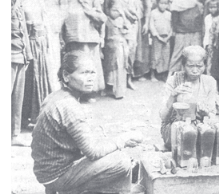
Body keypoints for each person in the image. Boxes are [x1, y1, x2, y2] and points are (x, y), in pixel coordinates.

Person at [31, 51, 138, 194]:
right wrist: (123, 139)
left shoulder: (57, 96)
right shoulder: (68, 105)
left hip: (48, 170)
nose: (90, 78)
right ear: (66, 76)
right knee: (121, 162)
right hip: (56, 176)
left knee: (112, 153)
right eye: (84, 73)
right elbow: (93, 152)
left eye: (92, 73)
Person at [159, 46, 217, 150]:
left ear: (205, 65)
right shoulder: (173, 81)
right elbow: (163, 117)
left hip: (200, 128)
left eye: (199, 66)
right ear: (183, 65)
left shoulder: (209, 82)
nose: (195, 70)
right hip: (175, 129)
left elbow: (213, 117)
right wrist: (173, 95)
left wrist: (206, 113)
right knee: (184, 135)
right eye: (190, 66)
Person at [62, 0, 107, 102]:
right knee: (74, 64)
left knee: (87, 64)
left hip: (89, 37)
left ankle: (89, 93)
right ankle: (75, 92)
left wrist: (102, 36)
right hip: (72, 37)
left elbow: (102, 18)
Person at [21, 0, 54, 126]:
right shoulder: (21, 4)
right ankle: (25, 117)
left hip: (41, 44)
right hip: (30, 44)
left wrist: (47, 44)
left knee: (43, 78)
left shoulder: (40, 2)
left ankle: (42, 115)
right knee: (31, 80)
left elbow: (46, 24)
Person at [12, 0, 33, 146]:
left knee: (17, 100)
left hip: (19, 56)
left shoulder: (18, 5)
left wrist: (28, 55)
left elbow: (23, 30)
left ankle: (14, 135)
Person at [103, 0, 131, 99]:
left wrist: (123, 15)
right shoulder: (106, 20)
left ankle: (119, 91)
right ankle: (108, 88)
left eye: (119, 10)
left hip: (120, 47)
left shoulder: (121, 20)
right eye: (114, 10)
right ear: (108, 9)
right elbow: (103, 36)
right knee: (110, 69)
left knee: (121, 68)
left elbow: (127, 30)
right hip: (110, 48)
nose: (117, 13)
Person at [168, 0, 204, 77]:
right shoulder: (176, 3)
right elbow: (174, 20)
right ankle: (170, 77)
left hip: (195, 32)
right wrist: (175, 30)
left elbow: (200, 18)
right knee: (177, 55)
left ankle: (195, 77)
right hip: (181, 32)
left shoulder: (197, 4)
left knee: (196, 53)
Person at [149, 0, 173, 81]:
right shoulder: (153, 13)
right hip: (157, 37)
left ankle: (163, 74)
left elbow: (172, 27)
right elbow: (151, 26)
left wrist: (168, 37)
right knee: (156, 56)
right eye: (161, 3)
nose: (163, 6)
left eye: (165, 4)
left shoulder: (169, 14)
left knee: (165, 56)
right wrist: (158, 36)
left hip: (167, 38)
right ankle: (152, 74)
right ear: (157, 3)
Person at [203, 0, 219, 67]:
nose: (212, 9)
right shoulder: (207, 18)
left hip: (216, 43)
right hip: (207, 42)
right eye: (211, 7)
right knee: (208, 61)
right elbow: (206, 32)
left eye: (215, 7)